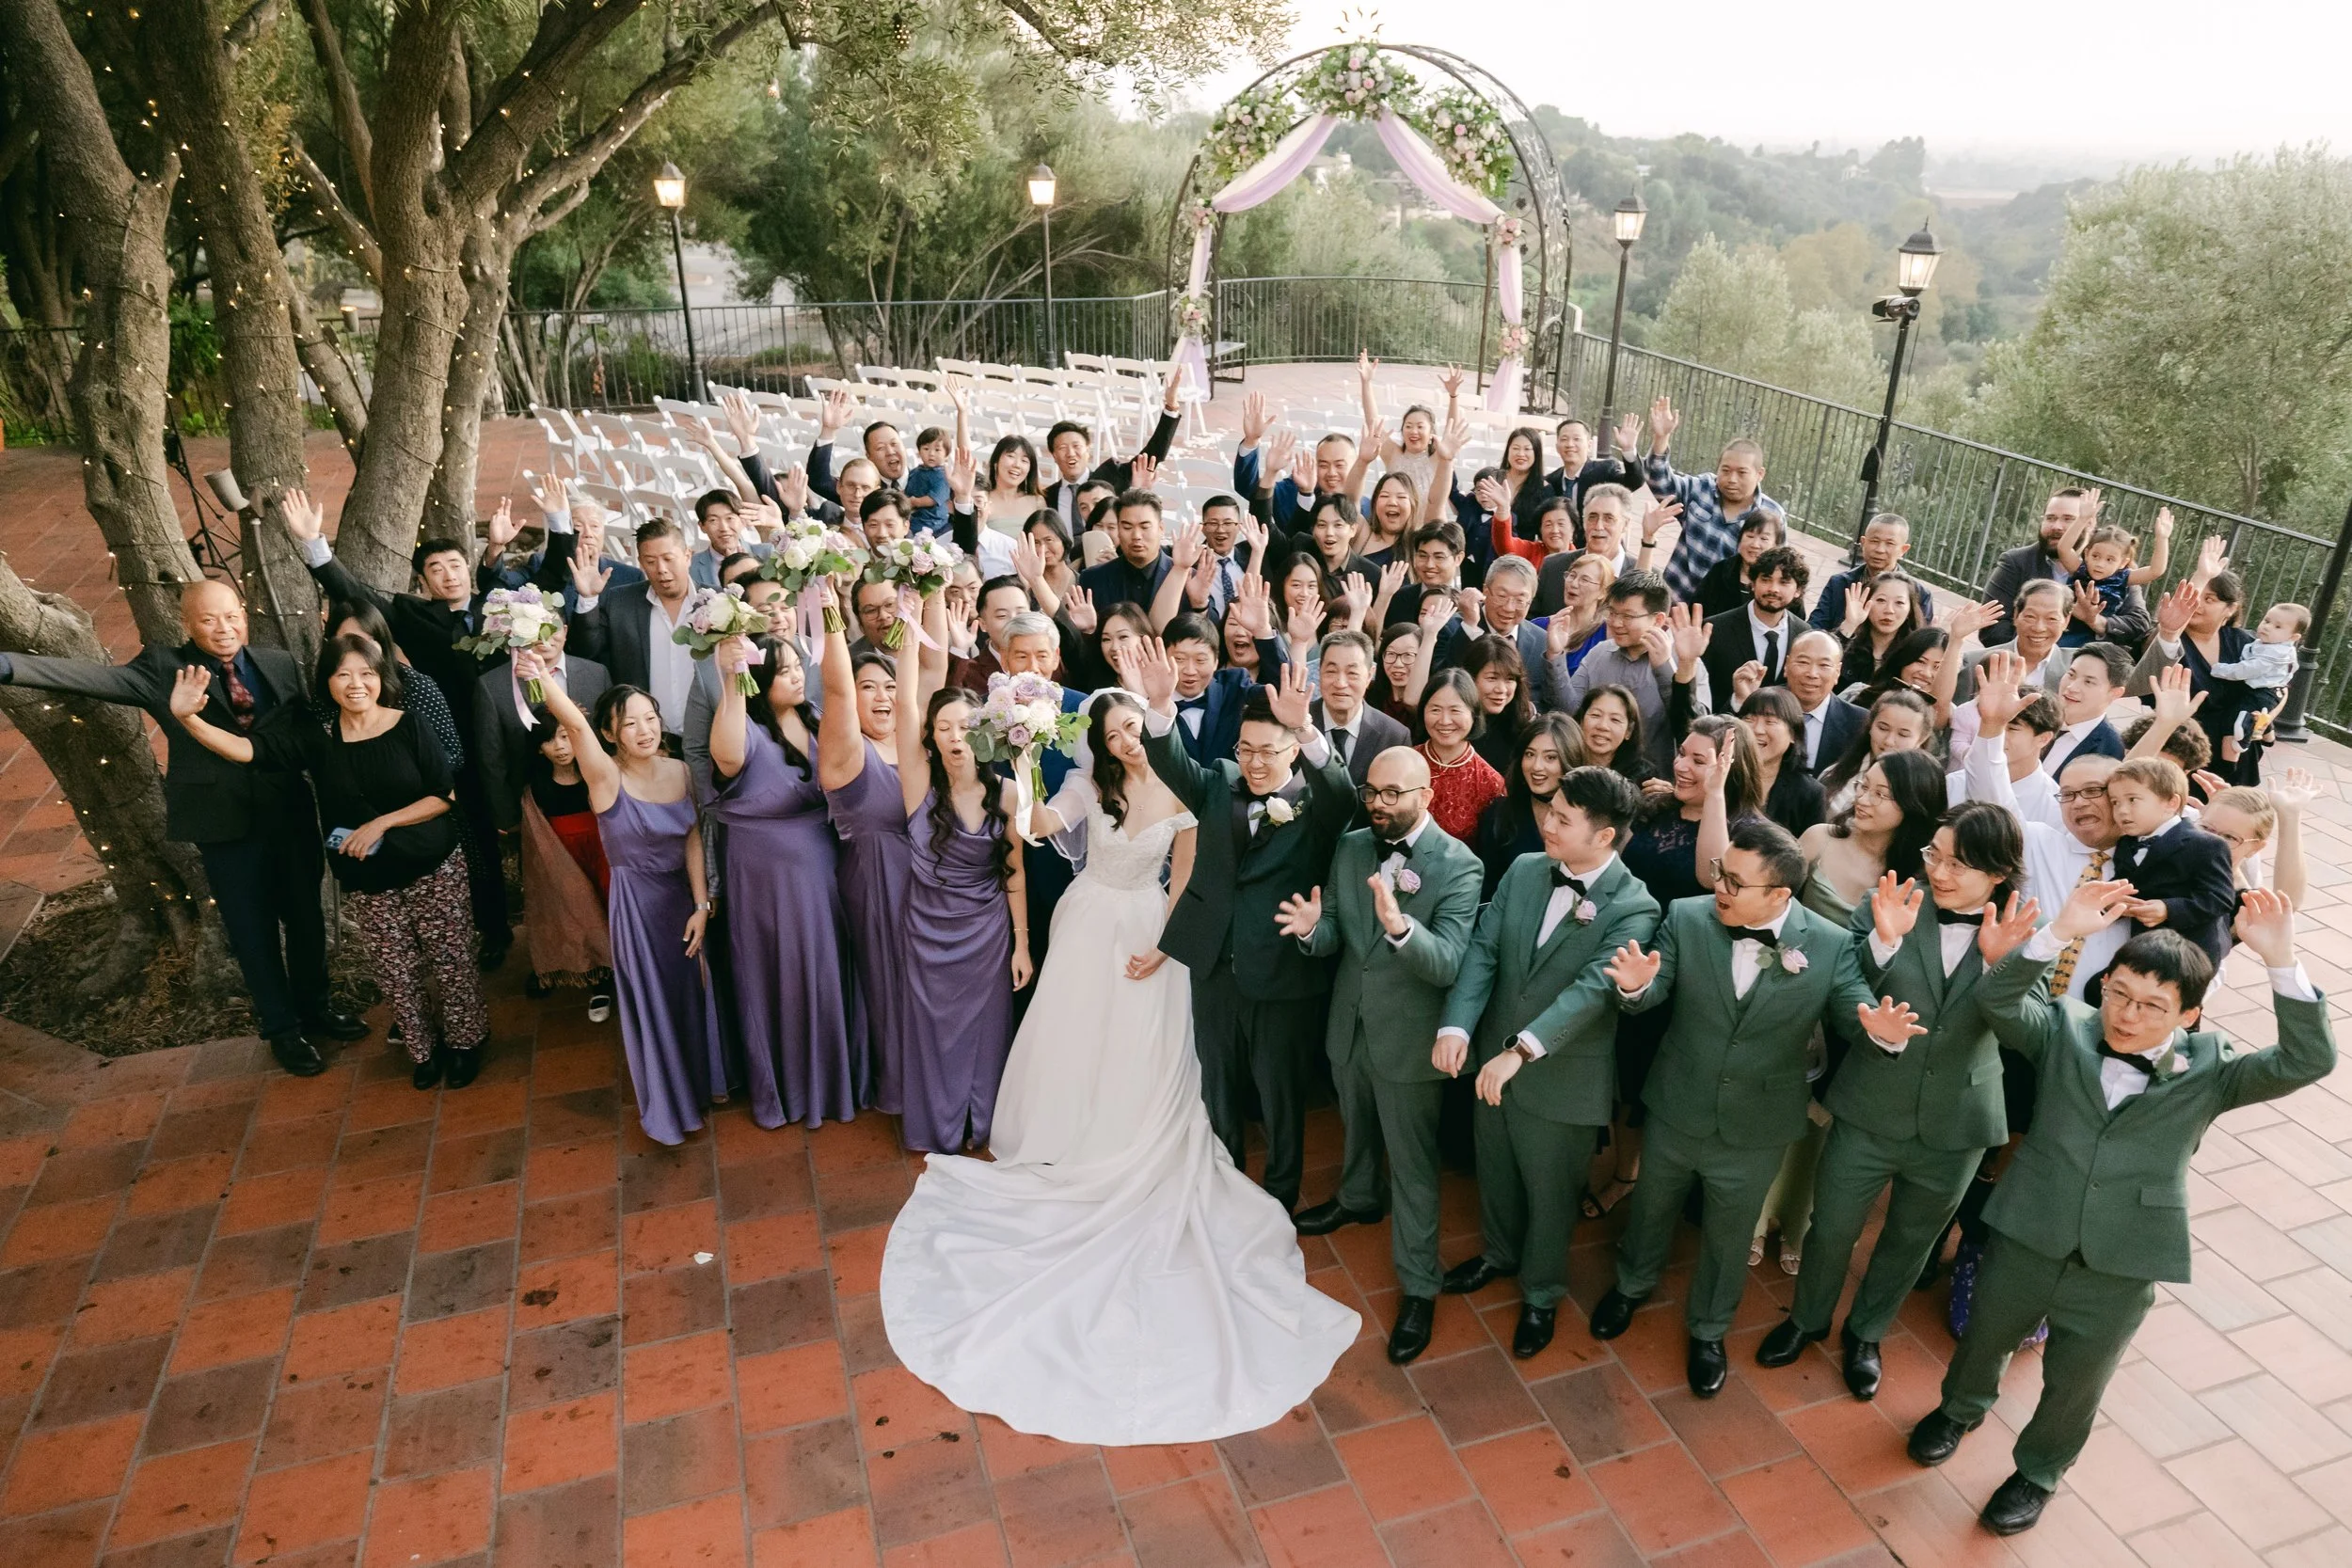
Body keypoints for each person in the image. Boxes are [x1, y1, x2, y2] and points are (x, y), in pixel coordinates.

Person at [878, 686, 1359, 1445]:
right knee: (1074, 1046)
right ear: (1098, 740)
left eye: (1134, 727)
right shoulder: (1082, 784)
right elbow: (1035, 826)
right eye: (1112, 732)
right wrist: (1031, 752)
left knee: (1148, 1056)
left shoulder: (1187, 784)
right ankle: (1068, 1140)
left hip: (1150, 932)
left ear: (1147, 729)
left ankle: (1137, 1140)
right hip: (1086, 922)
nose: (1125, 740)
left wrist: (1165, 946)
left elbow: (1192, 876)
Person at [1906, 886, 2334, 1537]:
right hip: (2030, 1229)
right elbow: (1995, 999)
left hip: (2125, 1255)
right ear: (2103, 985)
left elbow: (2310, 1058)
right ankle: (1958, 1411)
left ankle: (2038, 1472)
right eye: (2119, 993)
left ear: (2189, 1015)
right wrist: (2055, 933)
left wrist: (2282, 962)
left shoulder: (2213, 1070)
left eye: (2154, 1005)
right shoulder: (2065, 1029)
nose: (2128, 1016)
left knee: (2077, 1381)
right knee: (1985, 1336)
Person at [1590, 816, 1917, 1399]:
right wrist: (1636, 988)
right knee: (1651, 1209)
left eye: (1735, 881)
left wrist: (1883, 1034)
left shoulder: (1830, 944)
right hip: (1678, 1103)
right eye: (1721, 872)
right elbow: (1651, 994)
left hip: (1760, 1123)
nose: (1720, 886)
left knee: (1729, 1232)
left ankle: (1709, 1328)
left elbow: (1857, 1012)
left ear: (1780, 895)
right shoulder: (1687, 918)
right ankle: (1630, 1286)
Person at [0, 579, 360, 1075]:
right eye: (209, 620)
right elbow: (93, 678)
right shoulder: (164, 668)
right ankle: (282, 1030)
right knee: (251, 933)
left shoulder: (276, 662)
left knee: (306, 920)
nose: (223, 628)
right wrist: (8, 665)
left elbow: (302, 732)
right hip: (225, 827)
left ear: (244, 615)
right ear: (187, 625)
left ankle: (315, 1009)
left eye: (231, 616)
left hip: (290, 815)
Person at [1761, 805, 2028, 1400]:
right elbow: (1840, 982)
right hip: (1870, 1104)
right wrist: (1883, 944)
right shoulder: (1894, 901)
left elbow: (2022, 1032)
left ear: (1998, 871)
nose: (1940, 871)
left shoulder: (2018, 930)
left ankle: (1867, 1333)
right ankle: (1805, 1320)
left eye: (1958, 862)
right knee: (1829, 1227)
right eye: (1935, 854)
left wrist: (1996, 966)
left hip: (1958, 1120)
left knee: (1910, 1240)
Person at [168, 635, 487, 1087]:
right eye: (343, 674)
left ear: (381, 680)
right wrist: (188, 718)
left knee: (451, 959)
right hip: (368, 874)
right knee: (395, 969)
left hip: (431, 864)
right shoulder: (316, 739)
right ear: (328, 682)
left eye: (367, 674)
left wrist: (382, 824)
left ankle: (465, 1043)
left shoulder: (410, 725)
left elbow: (443, 796)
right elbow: (246, 751)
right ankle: (423, 1050)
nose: (356, 684)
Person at [1439, 768, 1661, 1358]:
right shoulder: (1523, 870)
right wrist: (1458, 1023)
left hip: (1560, 1074)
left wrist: (1522, 1051)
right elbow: (1485, 950)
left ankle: (1541, 1294)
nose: (1547, 822)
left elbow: (1591, 992)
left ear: (1605, 837)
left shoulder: (1636, 906)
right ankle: (1497, 1253)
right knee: (1496, 1167)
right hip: (1492, 1059)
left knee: (1550, 1194)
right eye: (1551, 809)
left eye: (1564, 818)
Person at [1275, 747, 1482, 1363]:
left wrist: (1401, 930)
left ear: (1427, 795)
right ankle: (1360, 1196)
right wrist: (1314, 928)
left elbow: (1447, 962)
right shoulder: (1353, 844)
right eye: (1372, 791)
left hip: (1410, 1037)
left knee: (1414, 1167)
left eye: (1394, 793)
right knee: (1355, 1121)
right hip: (1351, 1024)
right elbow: (1337, 928)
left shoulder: (1460, 865)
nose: (1379, 803)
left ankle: (1419, 1286)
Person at [1133, 646, 1353, 1220]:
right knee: (1218, 1082)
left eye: (1268, 751)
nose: (1255, 763)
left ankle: (1279, 1192)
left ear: (1292, 753)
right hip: (1212, 964)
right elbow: (1173, 762)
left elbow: (1343, 793)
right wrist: (1159, 707)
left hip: (1280, 971)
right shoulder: (1219, 785)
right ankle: (1225, 1177)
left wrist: (1306, 726)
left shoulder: (1317, 802)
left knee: (1280, 1092)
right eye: (1246, 749)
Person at [281, 489, 514, 967]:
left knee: (506, 834)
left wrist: (495, 554)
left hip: (505, 740)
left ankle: (508, 924)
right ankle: (487, 933)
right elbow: (357, 595)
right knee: (473, 842)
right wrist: (315, 547)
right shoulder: (409, 618)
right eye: (435, 569)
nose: (448, 575)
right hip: (444, 755)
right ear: (422, 580)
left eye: (455, 564)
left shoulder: (501, 601)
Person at [533, 665, 719, 1143]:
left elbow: (694, 837)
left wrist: (701, 904)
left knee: (691, 992)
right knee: (654, 1003)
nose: (645, 730)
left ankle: (703, 1082)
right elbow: (573, 726)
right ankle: (670, 1104)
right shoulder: (604, 778)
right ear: (608, 734)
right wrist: (536, 668)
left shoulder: (680, 770)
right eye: (630, 723)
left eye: (651, 717)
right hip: (635, 906)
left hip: (680, 898)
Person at [707, 627, 862, 1129]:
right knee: (778, 975)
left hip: (824, 864)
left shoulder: (815, 717)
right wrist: (729, 680)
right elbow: (727, 757)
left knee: (827, 970)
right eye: (785, 670)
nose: (798, 675)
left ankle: (834, 1081)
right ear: (759, 679)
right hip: (764, 876)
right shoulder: (742, 730)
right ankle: (788, 1088)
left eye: (799, 665)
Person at [892, 591, 1028, 1154]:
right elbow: (904, 705)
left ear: (984, 733)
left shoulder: (1008, 794)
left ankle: (985, 1123)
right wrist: (911, 625)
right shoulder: (918, 787)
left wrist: (1022, 945)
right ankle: (940, 1126)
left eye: (964, 725)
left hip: (989, 933)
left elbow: (1014, 873)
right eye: (942, 727)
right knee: (933, 1034)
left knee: (988, 1034)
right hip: (926, 931)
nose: (953, 736)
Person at [810, 580, 915, 1117]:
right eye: (867, 687)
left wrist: (928, 599)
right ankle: (898, 1088)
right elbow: (835, 694)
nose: (882, 696)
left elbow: (926, 679)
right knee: (888, 983)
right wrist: (830, 621)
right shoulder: (846, 753)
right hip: (873, 880)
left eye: (888, 686)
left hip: (928, 880)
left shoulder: (916, 742)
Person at [564, 517, 701, 745]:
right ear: (641, 563)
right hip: (646, 741)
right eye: (651, 561)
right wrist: (588, 599)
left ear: (687, 556)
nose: (661, 570)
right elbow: (585, 652)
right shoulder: (620, 601)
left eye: (669, 559)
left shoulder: (717, 601)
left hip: (709, 735)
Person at [1557, 575, 1709, 778]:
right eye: (1612, 613)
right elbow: (1569, 711)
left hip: (1654, 786)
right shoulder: (1599, 653)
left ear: (1658, 620)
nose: (1616, 623)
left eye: (1628, 616)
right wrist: (1554, 656)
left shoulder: (1686, 662)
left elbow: (1694, 730)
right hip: (1592, 778)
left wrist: (1667, 668)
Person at [1640, 395, 1786, 605]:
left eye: (1742, 473)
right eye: (1725, 470)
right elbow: (1661, 483)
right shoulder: (1702, 488)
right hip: (1675, 599)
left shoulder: (1772, 515)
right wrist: (1661, 439)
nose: (1731, 479)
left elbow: (1777, 569)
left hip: (1722, 612)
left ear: (1760, 474)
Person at [516, 716, 612, 1009]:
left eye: (565, 736)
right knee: (581, 912)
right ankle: (597, 975)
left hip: (603, 852)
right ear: (538, 749)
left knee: (611, 905)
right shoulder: (538, 787)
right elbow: (537, 833)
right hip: (563, 858)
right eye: (549, 740)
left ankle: (624, 967)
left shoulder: (595, 774)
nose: (559, 747)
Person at [2104, 757, 2238, 966]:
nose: (2121, 810)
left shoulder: (2205, 845)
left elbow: (2220, 898)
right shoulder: (2126, 844)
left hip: (2190, 952)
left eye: (2132, 800)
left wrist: (2169, 909)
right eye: (2115, 802)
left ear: (2171, 803)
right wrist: (2114, 901)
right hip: (2144, 946)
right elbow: (2123, 882)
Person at [1040, 373, 1182, 531]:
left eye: (1076, 446)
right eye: (1062, 448)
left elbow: (1153, 453)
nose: (1071, 453)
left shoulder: (1113, 475)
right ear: (1054, 456)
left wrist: (1171, 407)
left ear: (1088, 449)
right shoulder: (1047, 496)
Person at [1473, 713, 1584, 898]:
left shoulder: (1590, 815)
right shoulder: (1500, 813)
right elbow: (1487, 889)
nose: (1536, 767)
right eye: (1530, 754)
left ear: (1570, 759)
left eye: (1550, 758)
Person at [1979, 487, 2100, 645]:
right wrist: (2037, 651)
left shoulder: (2110, 567)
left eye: (2068, 519)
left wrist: (2095, 621)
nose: (2057, 526)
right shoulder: (2015, 562)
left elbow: (2136, 625)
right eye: (2050, 518)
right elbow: (1992, 628)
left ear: (2089, 523)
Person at [2206, 599, 2306, 769]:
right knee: (2262, 715)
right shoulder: (2269, 645)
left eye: (2277, 627)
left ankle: (2239, 747)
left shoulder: (2273, 654)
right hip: (2269, 689)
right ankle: (2269, 736)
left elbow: (2245, 670)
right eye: (2267, 621)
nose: (2267, 627)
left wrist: (2217, 669)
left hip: (2264, 693)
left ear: (2293, 637)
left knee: (2236, 721)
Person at [2052, 506, 2169, 647]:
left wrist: (2162, 539)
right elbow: (2063, 548)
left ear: (2123, 562)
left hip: (2094, 636)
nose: (2100, 564)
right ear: (2087, 553)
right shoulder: (2080, 569)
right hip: (2065, 626)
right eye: (2096, 556)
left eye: (2110, 560)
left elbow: (2156, 571)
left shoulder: (2123, 578)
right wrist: (2082, 519)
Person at [1701, 545, 1807, 699]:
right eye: (1766, 579)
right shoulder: (1715, 629)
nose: (1774, 589)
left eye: (1784, 582)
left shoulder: (1803, 634)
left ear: (1798, 590)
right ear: (1752, 583)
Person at [1311, 628, 1409, 793]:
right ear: (1319, 672)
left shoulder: (1394, 736)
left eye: (1352, 673)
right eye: (1331, 671)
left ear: (1369, 675)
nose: (1341, 683)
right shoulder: (1297, 723)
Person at [1415, 669, 1508, 842]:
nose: (1444, 721)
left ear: (1473, 714)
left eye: (1455, 711)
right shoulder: (1405, 762)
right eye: (1435, 710)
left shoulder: (1490, 782)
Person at [1808, 514, 1938, 633]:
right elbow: (1815, 629)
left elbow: (1919, 644)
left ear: (1903, 549)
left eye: (1890, 543)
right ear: (1863, 543)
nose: (1880, 550)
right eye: (1874, 541)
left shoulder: (1919, 594)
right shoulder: (1840, 584)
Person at [1818, 689, 1934, 814]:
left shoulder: (1923, 793)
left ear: (1921, 739)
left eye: (1903, 734)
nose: (1889, 741)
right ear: (1870, 726)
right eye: (1883, 728)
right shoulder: (1835, 773)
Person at [1737, 687, 1826, 836]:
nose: (1757, 729)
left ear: (1794, 735)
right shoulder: (1720, 775)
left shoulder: (1809, 794)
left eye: (1770, 721)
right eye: (1749, 719)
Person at [1778, 629, 1866, 774]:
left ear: (1838, 672)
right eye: (1803, 662)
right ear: (1786, 665)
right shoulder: (1762, 707)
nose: (1812, 674)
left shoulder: (1859, 722)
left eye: (1824, 665)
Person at [1453, 634, 1538, 778]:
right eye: (1492, 678)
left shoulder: (1526, 721)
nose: (1502, 690)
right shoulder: (1451, 722)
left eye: (1510, 679)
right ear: (1471, 677)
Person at [2044, 642, 2130, 776]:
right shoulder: (2037, 718)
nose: (2072, 687)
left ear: (2115, 693)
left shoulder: (2111, 750)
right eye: (2071, 675)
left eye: (2088, 682)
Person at [1833, 573, 1925, 693]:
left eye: (1899, 603)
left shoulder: (1914, 653)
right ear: (1866, 603)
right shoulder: (1849, 644)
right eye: (1881, 600)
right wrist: (1850, 624)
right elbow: (1824, 662)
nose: (1889, 610)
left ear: (1910, 610)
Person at [1692, 511, 1783, 620]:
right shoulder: (1720, 570)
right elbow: (1695, 608)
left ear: (1776, 545)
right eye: (1750, 536)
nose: (1755, 545)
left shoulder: (1784, 580)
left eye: (1764, 539)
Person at [686, 490, 773, 588]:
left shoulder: (768, 554)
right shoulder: (690, 566)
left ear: (743, 521)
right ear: (702, 526)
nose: (724, 528)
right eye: (713, 520)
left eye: (730, 518)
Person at [1574, 684, 1648, 789]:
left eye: (1615, 720)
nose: (1603, 726)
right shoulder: (1561, 764)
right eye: (1595, 715)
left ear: (1629, 731)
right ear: (1581, 721)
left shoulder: (1643, 778)